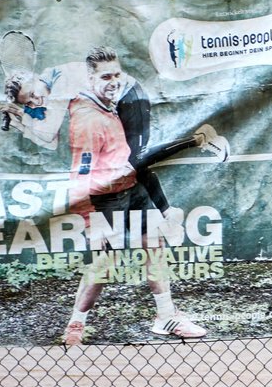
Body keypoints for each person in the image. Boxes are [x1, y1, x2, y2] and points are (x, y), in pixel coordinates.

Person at [60, 47, 210, 345]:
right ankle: (76, 325)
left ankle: (165, 316)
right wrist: (91, 224)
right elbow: (79, 177)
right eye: (105, 76)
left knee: (154, 244)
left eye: (117, 74)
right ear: (90, 79)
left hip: (132, 187)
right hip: (107, 199)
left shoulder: (107, 105)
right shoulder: (88, 120)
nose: (114, 81)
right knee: (103, 265)